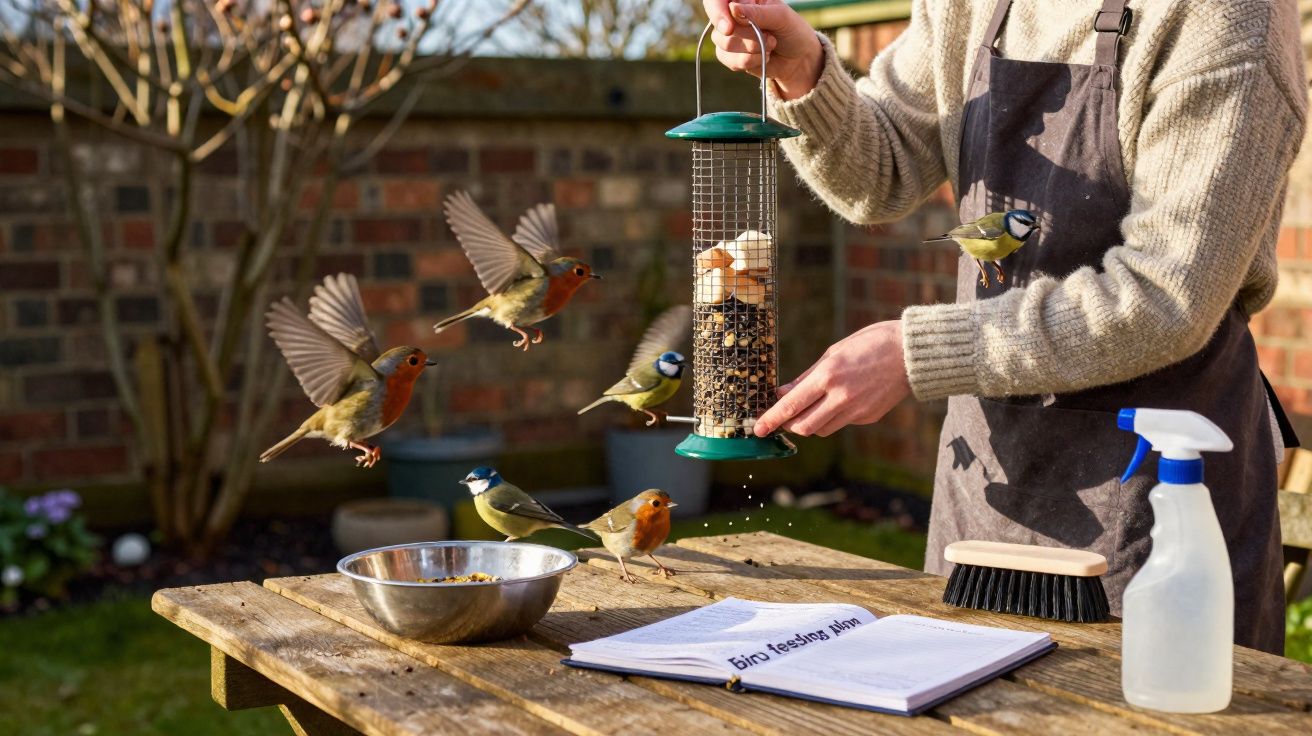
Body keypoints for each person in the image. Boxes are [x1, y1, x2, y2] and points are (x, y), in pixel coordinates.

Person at [703, 0, 1306, 653]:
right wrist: (803, 70)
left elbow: (1166, 295)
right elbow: (880, 171)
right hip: (984, 486)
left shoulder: (1224, 14)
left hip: (1160, 501)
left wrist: (920, 353)